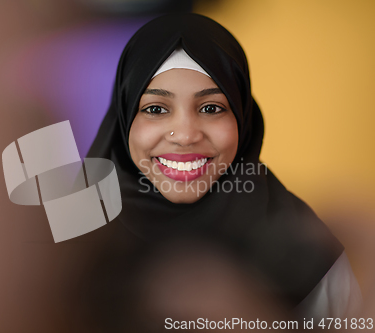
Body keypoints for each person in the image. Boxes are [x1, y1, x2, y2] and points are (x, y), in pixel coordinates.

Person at [86, 13, 361, 322]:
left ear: (243, 118)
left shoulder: (301, 241)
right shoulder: (76, 230)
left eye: (211, 108)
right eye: (155, 109)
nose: (187, 134)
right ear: (124, 119)